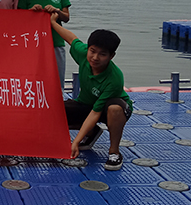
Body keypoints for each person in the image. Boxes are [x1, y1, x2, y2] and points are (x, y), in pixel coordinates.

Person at [50, 14, 133, 171]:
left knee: (114, 109)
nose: (95, 57)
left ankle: (114, 152)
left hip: (111, 109)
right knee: (55, 110)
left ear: (111, 56)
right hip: (87, 105)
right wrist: (53, 22)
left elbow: (96, 112)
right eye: (92, 51)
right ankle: (92, 132)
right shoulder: (83, 54)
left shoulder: (114, 78)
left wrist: (75, 142)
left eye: (102, 54)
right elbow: (71, 39)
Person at [18, 0, 70, 89]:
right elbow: (19, 22)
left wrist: (57, 11)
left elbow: (66, 17)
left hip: (55, 41)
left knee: (57, 81)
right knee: (34, 80)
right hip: (33, 43)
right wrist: (30, 12)